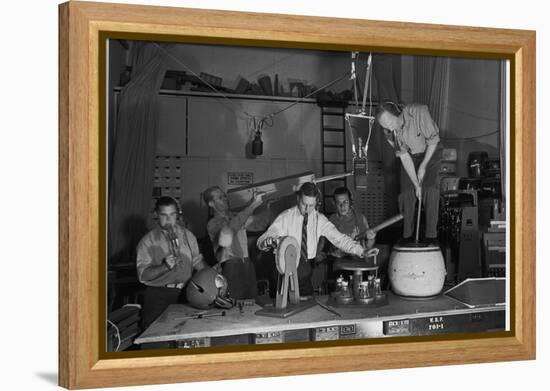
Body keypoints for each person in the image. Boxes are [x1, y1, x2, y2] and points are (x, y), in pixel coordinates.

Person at [257, 182, 371, 299]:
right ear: (298, 199)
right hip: (283, 270)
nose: (307, 209)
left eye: (311, 205)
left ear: (316, 202)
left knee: (307, 307)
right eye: (303, 204)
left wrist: (361, 251)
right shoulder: (285, 217)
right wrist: (267, 241)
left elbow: (340, 239)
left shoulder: (320, 220)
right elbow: (264, 238)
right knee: (281, 307)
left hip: (305, 268)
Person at [375, 102, 443, 244]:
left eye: (389, 122)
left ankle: (431, 236)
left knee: (429, 190)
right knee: (406, 194)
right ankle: (407, 236)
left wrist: (423, 166)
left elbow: (433, 141)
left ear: (397, 113)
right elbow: (405, 157)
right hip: (411, 156)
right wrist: (416, 184)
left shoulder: (418, 112)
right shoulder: (389, 132)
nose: (388, 127)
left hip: (430, 152)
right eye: (384, 126)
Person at [136, 196, 208, 328]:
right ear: (156, 215)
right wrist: (164, 267)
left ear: (178, 214)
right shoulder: (147, 241)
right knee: (156, 338)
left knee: (186, 332)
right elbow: (143, 276)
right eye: (164, 215)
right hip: (159, 295)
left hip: (186, 293)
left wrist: (211, 275)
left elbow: (198, 262)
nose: (169, 220)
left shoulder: (188, 236)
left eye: (172, 214)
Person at [203, 186, 267, 300]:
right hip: (231, 266)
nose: (225, 199)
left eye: (224, 196)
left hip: (247, 264)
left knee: (251, 303)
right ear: (211, 204)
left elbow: (260, 223)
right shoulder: (212, 224)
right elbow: (231, 228)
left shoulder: (236, 216)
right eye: (220, 197)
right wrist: (253, 205)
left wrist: (267, 204)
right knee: (235, 304)